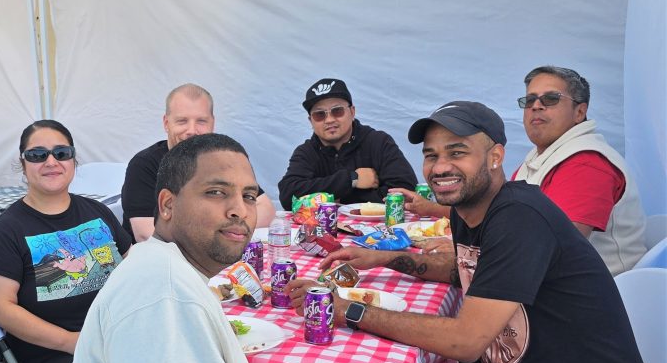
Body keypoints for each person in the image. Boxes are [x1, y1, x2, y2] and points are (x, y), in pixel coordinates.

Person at [288, 102, 648, 363]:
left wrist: (350, 311)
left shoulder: (521, 217)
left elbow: (465, 342)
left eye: (457, 152)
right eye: (431, 154)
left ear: (495, 156)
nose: (440, 166)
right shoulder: (474, 210)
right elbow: (467, 269)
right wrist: (386, 259)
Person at [46, 133, 370, 363]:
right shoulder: (163, 292)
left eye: (249, 196)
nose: (240, 210)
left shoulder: (168, 270)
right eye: (217, 192)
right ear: (167, 204)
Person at [393, 67, 648, 275]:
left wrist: (464, 251)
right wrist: (431, 210)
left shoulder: (587, 164)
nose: (536, 106)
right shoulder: (543, 154)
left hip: (588, 307)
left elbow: (552, 251)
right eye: (529, 100)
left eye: (550, 99)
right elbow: (500, 216)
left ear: (580, 111)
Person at [0, 120, 131, 363]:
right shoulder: (6, 231)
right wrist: (72, 342)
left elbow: (131, 266)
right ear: (23, 163)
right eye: (37, 155)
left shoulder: (96, 212)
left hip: (114, 335)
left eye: (61, 153)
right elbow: (1, 309)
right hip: (50, 356)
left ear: (72, 160)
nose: (51, 161)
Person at [121, 83, 276, 242]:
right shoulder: (144, 165)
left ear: (212, 124)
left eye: (201, 121)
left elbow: (265, 209)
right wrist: (221, 233)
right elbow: (146, 234)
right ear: (166, 123)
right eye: (182, 121)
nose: (192, 131)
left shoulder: (224, 160)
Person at [278, 78, 417, 209]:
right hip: (320, 232)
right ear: (311, 121)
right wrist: (350, 180)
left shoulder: (378, 142)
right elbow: (288, 196)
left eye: (337, 111)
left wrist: (340, 199)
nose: (329, 120)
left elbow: (406, 191)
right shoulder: (306, 152)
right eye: (320, 114)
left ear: (352, 112)